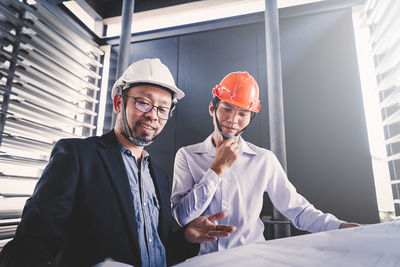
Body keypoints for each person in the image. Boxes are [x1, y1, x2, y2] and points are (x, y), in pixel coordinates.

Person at [0, 58, 236, 267]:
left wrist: (185, 236)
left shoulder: (159, 176)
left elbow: (156, 250)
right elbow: (31, 244)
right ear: (118, 103)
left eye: (163, 109)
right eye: (144, 102)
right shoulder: (77, 156)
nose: (153, 115)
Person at [170, 71, 358, 255]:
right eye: (226, 109)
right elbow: (182, 217)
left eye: (243, 113)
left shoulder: (264, 160)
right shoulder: (187, 156)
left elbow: (297, 209)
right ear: (213, 108)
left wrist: (338, 226)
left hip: (252, 259)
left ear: (251, 117)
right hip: (204, 262)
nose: (233, 120)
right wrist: (218, 168)